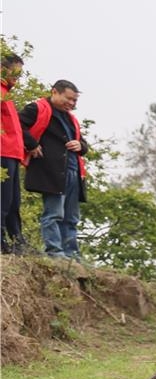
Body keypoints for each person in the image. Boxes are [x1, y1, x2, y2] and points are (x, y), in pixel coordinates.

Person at [17, 80, 87, 260]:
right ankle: (54, 251)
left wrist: (80, 145)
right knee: (54, 213)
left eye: (74, 101)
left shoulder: (71, 119)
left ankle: (72, 254)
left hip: (72, 170)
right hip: (51, 170)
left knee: (71, 217)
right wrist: (32, 144)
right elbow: (17, 124)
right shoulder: (37, 108)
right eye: (69, 99)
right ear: (55, 92)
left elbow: (83, 144)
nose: (71, 104)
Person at [0, 54, 25, 254]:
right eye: (15, 71)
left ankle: (17, 241)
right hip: (2, 151)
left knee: (14, 200)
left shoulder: (7, 94)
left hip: (13, 153)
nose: (18, 76)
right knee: (3, 199)